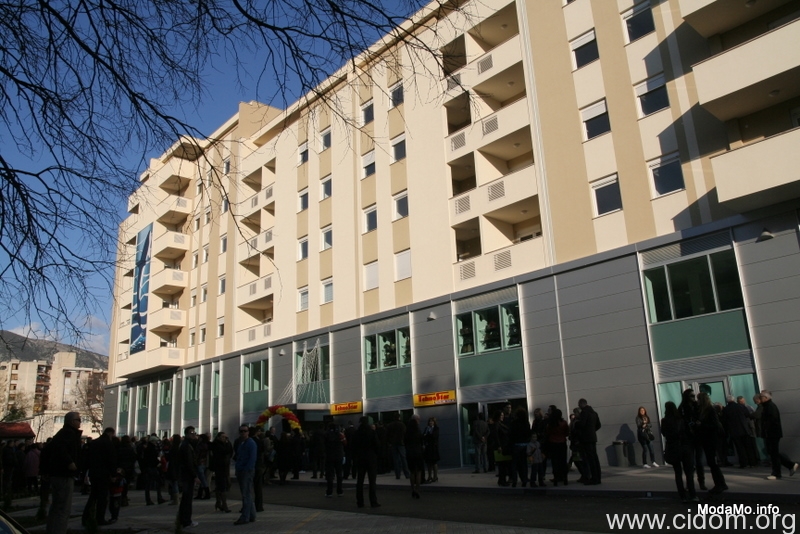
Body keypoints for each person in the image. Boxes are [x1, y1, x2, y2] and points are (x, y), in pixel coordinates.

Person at [43, 411, 82, 534]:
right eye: (78, 420)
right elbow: (60, 450)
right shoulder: (68, 434)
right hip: (64, 475)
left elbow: (49, 449)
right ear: (72, 422)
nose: (80, 422)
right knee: (63, 509)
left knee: (56, 507)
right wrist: (69, 462)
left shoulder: (63, 434)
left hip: (58, 474)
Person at [661, 401, 697, 503]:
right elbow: (686, 432)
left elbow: (664, 433)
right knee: (689, 473)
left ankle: (682, 496)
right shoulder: (680, 419)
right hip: (684, 446)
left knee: (678, 473)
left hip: (673, 447)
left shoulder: (664, 421)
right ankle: (693, 494)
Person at [759, 391, 799, 480]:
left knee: (773, 453)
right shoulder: (767, 406)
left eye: (761, 397)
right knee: (772, 452)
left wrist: (767, 431)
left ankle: (777, 473)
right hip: (771, 433)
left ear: (766, 398)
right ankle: (790, 465)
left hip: (772, 433)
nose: (760, 398)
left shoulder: (770, 407)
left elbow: (771, 421)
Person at [82, 427, 117, 527]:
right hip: (104, 473)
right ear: (110, 433)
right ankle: (100, 518)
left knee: (93, 496)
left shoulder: (94, 443)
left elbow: (87, 458)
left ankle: (86, 517)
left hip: (94, 472)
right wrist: (113, 474)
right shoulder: (108, 443)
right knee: (102, 497)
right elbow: (111, 459)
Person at [696, 392, 727, 494]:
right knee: (712, 463)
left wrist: (701, 425)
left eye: (698, 399)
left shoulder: (709, 410)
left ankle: (719, 483)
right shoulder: (706, 410)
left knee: (712, 463)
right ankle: (720, 483)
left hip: (710, 439)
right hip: (709, 439)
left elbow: (714, 425)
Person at [679, 388, 707, 490]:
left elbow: (701, 417)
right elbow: (681, 421)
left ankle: (701, 482)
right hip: (687, 437)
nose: (693, 398)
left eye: (694, 396)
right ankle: (690, 482)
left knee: (699, 461)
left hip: (697, 436)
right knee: (689, 462)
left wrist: (698, 422)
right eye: (691, 396)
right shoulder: (682, 408)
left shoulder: (696, 406)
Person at [722, 395, 757, 468]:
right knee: (748, 447)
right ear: (734, 399)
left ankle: (743, 463)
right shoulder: (740, 406)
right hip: (744, 429)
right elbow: (747, 415)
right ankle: (752, 462)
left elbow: (724, 421)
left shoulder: (726, 409)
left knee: (739, 448)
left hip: (734, 431)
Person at [353, 415, 380, 508]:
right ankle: (373, 501)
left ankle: (360, 501)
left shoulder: (357, 433)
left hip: (360, 458)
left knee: (360, 480)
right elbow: (377, 445)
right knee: (372, 481)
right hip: (371, 457)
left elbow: (353, 446)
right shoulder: (371, 432)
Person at [233, 425, 257, 525]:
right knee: (247, 493)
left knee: (246, 494)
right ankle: (251, 515)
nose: (243, 433)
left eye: (245, 431)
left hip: (246, 471)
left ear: (248, 432)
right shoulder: (241, 443)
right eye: (241, 431)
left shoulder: (251, 443)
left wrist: (246, 469)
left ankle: (245, 516)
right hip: (241, 470)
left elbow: (252, 458)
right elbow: (238, 456)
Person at [576, 399, 601, 485]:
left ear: (581, 404)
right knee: (595, 458)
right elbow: (598, 425)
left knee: (590, 459)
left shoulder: (584, 413)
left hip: (586, 438)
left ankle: (594, 478)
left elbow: (582, 424)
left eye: (579, 404)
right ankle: (598, 477)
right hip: (593, 437)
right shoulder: (594, 413)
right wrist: (592, 430)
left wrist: (576, 424)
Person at [178, 426, 199, 528]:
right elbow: (188, 462)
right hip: (187, 475)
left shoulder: (187, 444)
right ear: (187, 434)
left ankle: (183, 519)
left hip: (185, 474)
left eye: (194, 433)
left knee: (185, 499)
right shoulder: (186, 446)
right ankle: (186, 521)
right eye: (192, 433)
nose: (194, 435)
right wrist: (194, 475)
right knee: (187, 499)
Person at [546, 408, 570, 486]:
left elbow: (548, 432)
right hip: (562, 442)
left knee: (555, 461)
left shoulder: (551, 424)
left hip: (553, 443)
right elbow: (567, 432)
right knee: (563, 461)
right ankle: (565, 478)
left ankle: (556, 478)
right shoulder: (564, 423)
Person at [210, 431, 233, 512]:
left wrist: (228, 443)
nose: (224, 438)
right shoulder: (216, 444)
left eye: (225, 437)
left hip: (225, 466)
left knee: (222, 485)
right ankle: (223, 504)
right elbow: (224, 451)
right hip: (219, 467)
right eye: (222, 437)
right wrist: (227, 443)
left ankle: (219, 502)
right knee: (222, 485)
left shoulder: (226, 444)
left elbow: (230, 451)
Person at [509, 407, 531, 488]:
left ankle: (514, 480)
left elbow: (511, 434)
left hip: (516, 445)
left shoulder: (514, 423)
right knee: (523, 463)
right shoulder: (526, 423)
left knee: (515, 464)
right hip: (524, 444)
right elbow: (528, 433)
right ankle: (524, 479)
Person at [323, 422, 345, 497]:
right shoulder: (340, 435)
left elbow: (324, 445)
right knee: (339, 474)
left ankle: (329, 491)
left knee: (330, 475)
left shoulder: (326, 435)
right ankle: (340, 491)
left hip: (329, 456)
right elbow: (345, 443)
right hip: (339, 455)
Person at [405, 414, 424, 498]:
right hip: (418, 452)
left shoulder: (407, 431)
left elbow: (405, 441)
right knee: (418, 471)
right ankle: (417, 489)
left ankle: (412, 489)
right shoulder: (418, 430)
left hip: (410, 452)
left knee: (412, 472)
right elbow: (421, 440)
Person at [385, 413, 409, 480]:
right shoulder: (402, 425)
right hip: (401, 443)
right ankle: (407, 474)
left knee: (396, 460)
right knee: (403, 459)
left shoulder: (390, 425)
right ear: (399, 418)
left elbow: (387, 435)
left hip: (393, 444)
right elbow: (405, 434)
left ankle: (397, 475)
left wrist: (389, 442)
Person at [422, 417, 440, 484]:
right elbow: (423, 436)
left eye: (432, 421)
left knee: (434, 462)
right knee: (428, 462)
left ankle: (435, 476)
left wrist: (427, 435)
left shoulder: (436, 428)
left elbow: (434, 436)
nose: (430, 422)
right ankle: (429, 476)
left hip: (433, 447)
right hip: (427, 447)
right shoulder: (426, 428)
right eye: (430, 421)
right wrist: (427, 436)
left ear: (434, 422)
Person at [194, 433, 211, 500]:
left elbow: (197, 454)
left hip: (200, 463)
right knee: (202, 479)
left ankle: (206, 493)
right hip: (204, 463)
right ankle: (200, 494)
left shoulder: (200, 445)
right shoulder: (206, 445)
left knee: (203, 479)